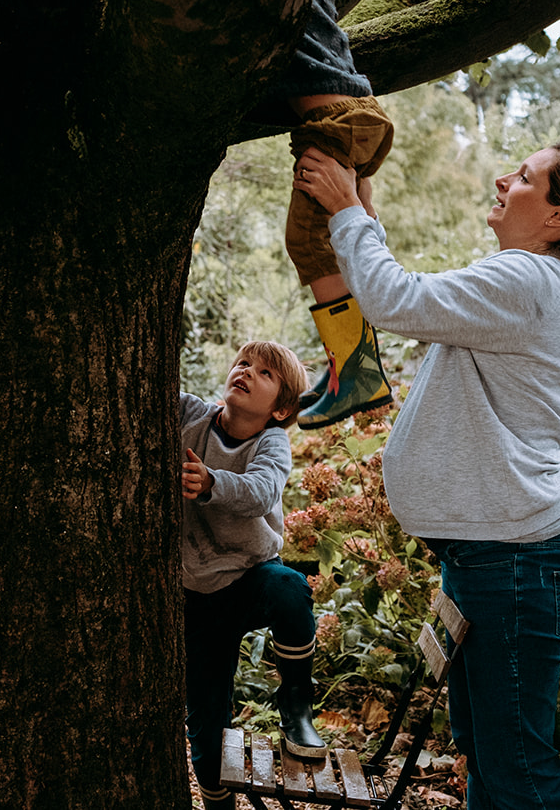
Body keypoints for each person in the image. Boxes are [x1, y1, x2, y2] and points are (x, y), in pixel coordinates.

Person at [294, 140, 560, 810]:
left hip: (515, 561)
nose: (503, 178)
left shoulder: (525, 279)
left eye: (525, 176)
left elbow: (395, 299)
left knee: (519, 773)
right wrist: (361, 217)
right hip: (491, 557)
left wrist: (349, 209)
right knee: (489, 758)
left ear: (558, 217)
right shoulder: (521, 278)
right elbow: (408, 295)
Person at [180, 340, 323, 810]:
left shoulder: (272, 442)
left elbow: (262, 491)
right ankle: (219, 802)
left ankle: (297, 707)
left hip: (249, 576)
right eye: (243, 363)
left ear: (281, 409)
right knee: (206, 723)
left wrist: (211, 483)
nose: (247, 371)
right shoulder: (192, 416)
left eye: (265, 373)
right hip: (197, 594)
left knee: (290, 589)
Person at [261, 0, 395, 430]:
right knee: (320, 241)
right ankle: (349, 364)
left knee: (310, 240)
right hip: (345, 119)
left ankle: (356, 370)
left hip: (337, 122)